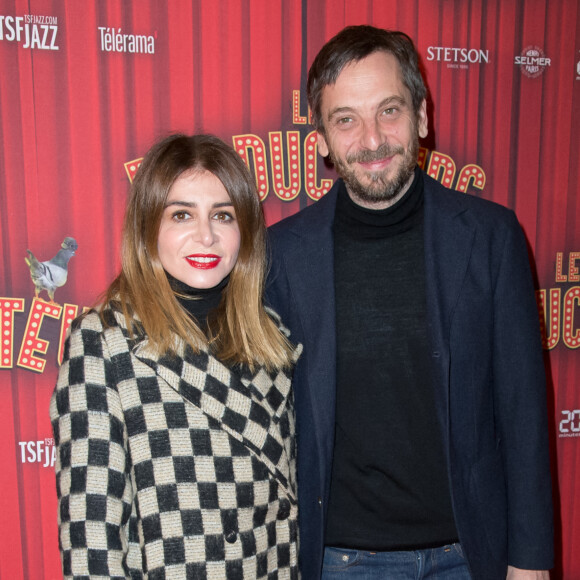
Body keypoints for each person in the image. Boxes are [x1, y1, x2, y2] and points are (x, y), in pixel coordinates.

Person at [267, 25, 553, 580]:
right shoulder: (281, 256)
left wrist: (531, 561)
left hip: (472, 556)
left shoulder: (491, 238)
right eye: (345, 119)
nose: (371, 139)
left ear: (421, 117)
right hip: (340, 561)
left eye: (389, 110)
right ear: (322, 139)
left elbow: (523, 414)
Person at [50, 134, 301, 579]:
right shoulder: (104, 341)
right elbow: (91, 537)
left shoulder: (273, 335)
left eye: (222, 215)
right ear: (148, 227)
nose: (205, 235)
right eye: (181, 214)